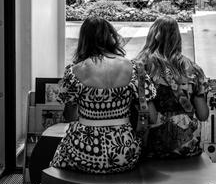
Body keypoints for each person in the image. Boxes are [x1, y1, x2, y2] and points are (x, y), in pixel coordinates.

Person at [50, 16, 156, 174]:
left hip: (84, 152)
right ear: (111, 36)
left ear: (84, 40)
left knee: (57, 161)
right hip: (125, 153)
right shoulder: (135, 68)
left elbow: (70, 117)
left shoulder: (74, 71)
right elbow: (152, 116)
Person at [136, 16, 209, 159]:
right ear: (177, 38)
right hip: (188, 147)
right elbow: (203, 114)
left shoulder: (141, 66)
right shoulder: (193, 68)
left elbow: (149, 116)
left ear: (153, 36)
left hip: (152, 148)